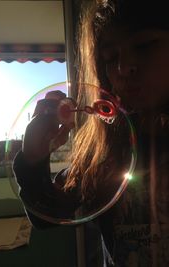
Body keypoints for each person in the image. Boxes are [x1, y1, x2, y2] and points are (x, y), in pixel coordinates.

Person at [13, 0, 169, 266]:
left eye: (144, 45)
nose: (123, 67)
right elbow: (45, 216)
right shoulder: (105, 150)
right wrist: (35, 158)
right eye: (110, 58)